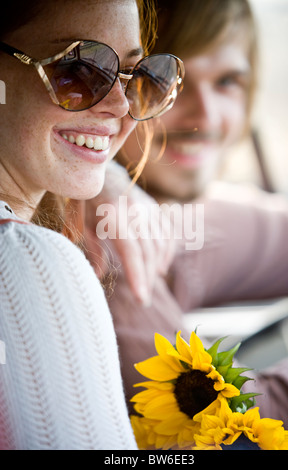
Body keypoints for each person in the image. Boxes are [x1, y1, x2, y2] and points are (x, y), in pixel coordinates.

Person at [84, 0, 288, 438]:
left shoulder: (161, 210)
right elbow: (227, 436)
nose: (204, 115)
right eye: (159, 80)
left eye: (227, 81)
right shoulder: (99, 241)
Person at [0, 0, 185, 450]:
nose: (122, 104)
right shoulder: (33, 266)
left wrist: (110, 179)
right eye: (80, 70)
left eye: (139, 76)